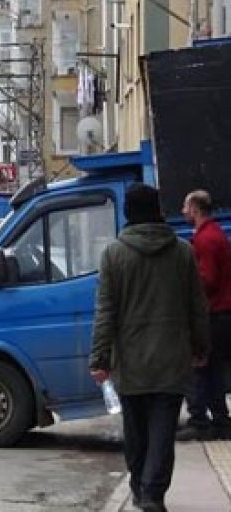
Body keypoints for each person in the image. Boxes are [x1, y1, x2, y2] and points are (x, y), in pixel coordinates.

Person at [89, 183, 210, 512]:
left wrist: (99, 357)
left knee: (136, 429)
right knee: (163, 430)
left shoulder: (114, 254)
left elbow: (106, 312)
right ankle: (153, 492)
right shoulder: (182, 251)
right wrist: (200, 346)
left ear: (128, 212)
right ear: (158, 210)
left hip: (129, 360)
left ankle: (140, 486)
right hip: (172, 356)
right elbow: (196, 306)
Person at [177, 189, 231, 441]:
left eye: (186, 207)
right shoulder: (215, 234)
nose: (182, 212)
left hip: (212, 313)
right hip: (221, 312)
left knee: (199, 367)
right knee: (213, 370)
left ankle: (200, 421)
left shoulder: (205, 239)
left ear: (196, 209)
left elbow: (207, 280)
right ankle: (220, 420)